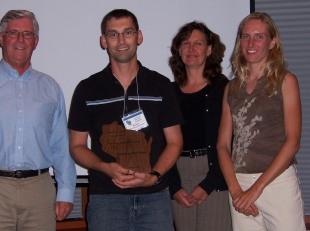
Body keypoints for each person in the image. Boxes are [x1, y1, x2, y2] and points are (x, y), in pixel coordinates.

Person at [0, 10, 76, 231]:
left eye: (27, 34)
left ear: (36, 41)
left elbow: (61, 145)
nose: (20, 40)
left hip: (39, 190)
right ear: (1, 38)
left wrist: (66, 191)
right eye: (13, 33)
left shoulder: (50, 87)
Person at [68, 9, 183, 231]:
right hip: (106, 200)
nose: (121, 41)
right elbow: (76, 146)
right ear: (104, 41)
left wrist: (154, 176)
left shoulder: (161, 86)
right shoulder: (87, 89)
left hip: (155, 199)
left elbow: (175, 142)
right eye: (113, 34)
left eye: (127, 32)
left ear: (139, 36)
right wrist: (104, 167)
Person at [217, 12, 306, 231]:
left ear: (272, 41)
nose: (250, 43)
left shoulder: (286, 81)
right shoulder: (231, 87)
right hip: (239, 184)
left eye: (259, 36)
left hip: (276, 183)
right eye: (245, 36)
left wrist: (256, 189)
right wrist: (236, 191)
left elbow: (293, 142)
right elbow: (222, 145)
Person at [167, 21, 232, 231]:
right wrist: (173, 186)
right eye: (185, 43)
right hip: (178, 173)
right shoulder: (169, 93)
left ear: (210, 49)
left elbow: (231, 142)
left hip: (214, 172)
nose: (191, 49)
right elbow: (160, 142)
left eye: (198, 43)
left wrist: (209, 184)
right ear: (179, 49)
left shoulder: (224, 88)